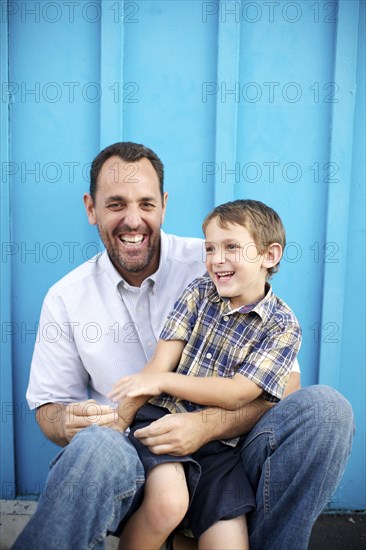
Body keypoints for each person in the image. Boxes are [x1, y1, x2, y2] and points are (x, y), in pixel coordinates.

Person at [12, 142, 354, 550]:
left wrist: (204, 425)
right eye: (116, 204)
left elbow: (285, 388)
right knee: (97, 447)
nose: (133, 220)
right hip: (132, 451)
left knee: (328, 411)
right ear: (91, 209)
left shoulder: (216, 265)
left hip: (227, 452)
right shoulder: (66, 296)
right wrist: (68, 421)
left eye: (146, 204)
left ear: (164, 205)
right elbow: (49, 411)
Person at [109, 199, 302, 550]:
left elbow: (239, 393)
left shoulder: (283, 326)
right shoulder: (199, 293)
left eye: (231, 247)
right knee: (168, 503)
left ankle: (184, 538)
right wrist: (121, 417)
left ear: (269, 256)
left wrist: (164, 381)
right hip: (162, 420)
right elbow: (159, 366)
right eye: (210, 248)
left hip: (221, 447)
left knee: (229, 542)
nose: (217, 258)